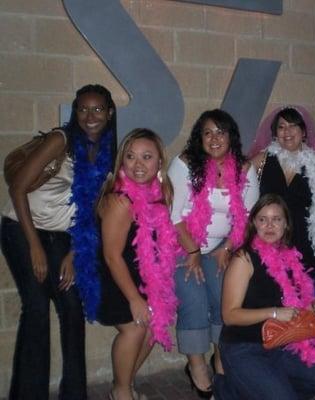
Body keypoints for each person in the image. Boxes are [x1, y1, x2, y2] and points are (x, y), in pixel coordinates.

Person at [1, 83, 117, 399]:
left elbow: (92, 214)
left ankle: (74, 394)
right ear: (74, 111)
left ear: (109, 113)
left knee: (71, 306)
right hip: (22, 228)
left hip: (64, 237)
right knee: (36, 306)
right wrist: (34, 247)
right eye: (82, 108)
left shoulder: (107, 157)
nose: (89, 116)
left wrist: (76, 253)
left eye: (97, 109)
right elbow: (17, 189)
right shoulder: (60, 140)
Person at [214, 193, 315, 400]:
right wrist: (275, 313)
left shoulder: (289, 256)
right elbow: (229, 315)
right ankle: (228, 387)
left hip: (280, 345)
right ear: (254, 224)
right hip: (243, 348)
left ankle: (256, 389)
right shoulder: (243, 258)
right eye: (262, 219)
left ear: (286, 224)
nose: (269, 225)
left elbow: (298, 301)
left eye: (276, 219)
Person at [168, 109, 259, 398]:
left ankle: (221, 359)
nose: (215, 138)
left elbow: (248, 217)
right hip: (180, 245)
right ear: (200, 138)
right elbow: (171, 214)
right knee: (193, 295)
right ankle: (195, 365)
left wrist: (229, 248)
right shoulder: (184, 164)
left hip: (221, 247)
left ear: (231, 136)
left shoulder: (245, 169)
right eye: (208, 132)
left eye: (221, 132)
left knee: (224, 297)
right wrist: (192, 249)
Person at [98, 129, 178, 400]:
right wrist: (134, 299)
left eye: (147, 157)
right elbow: (111, 255)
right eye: (130, 157)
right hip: (116, 277)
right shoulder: (120, 200)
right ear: (122, 161)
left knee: (153, 329)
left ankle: (126, 383)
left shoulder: (158, 194)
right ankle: (120, 391)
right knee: (134, 328)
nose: (138, 164)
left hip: (143, 277)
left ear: (159, 163)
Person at [251, 106, 315, 272]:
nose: (287, 131)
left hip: (304, 240)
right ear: (275, 133)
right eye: (281, 127)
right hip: (269, 238)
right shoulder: (263, 159)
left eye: (293, 126)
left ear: (303, 132)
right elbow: (238, 179)